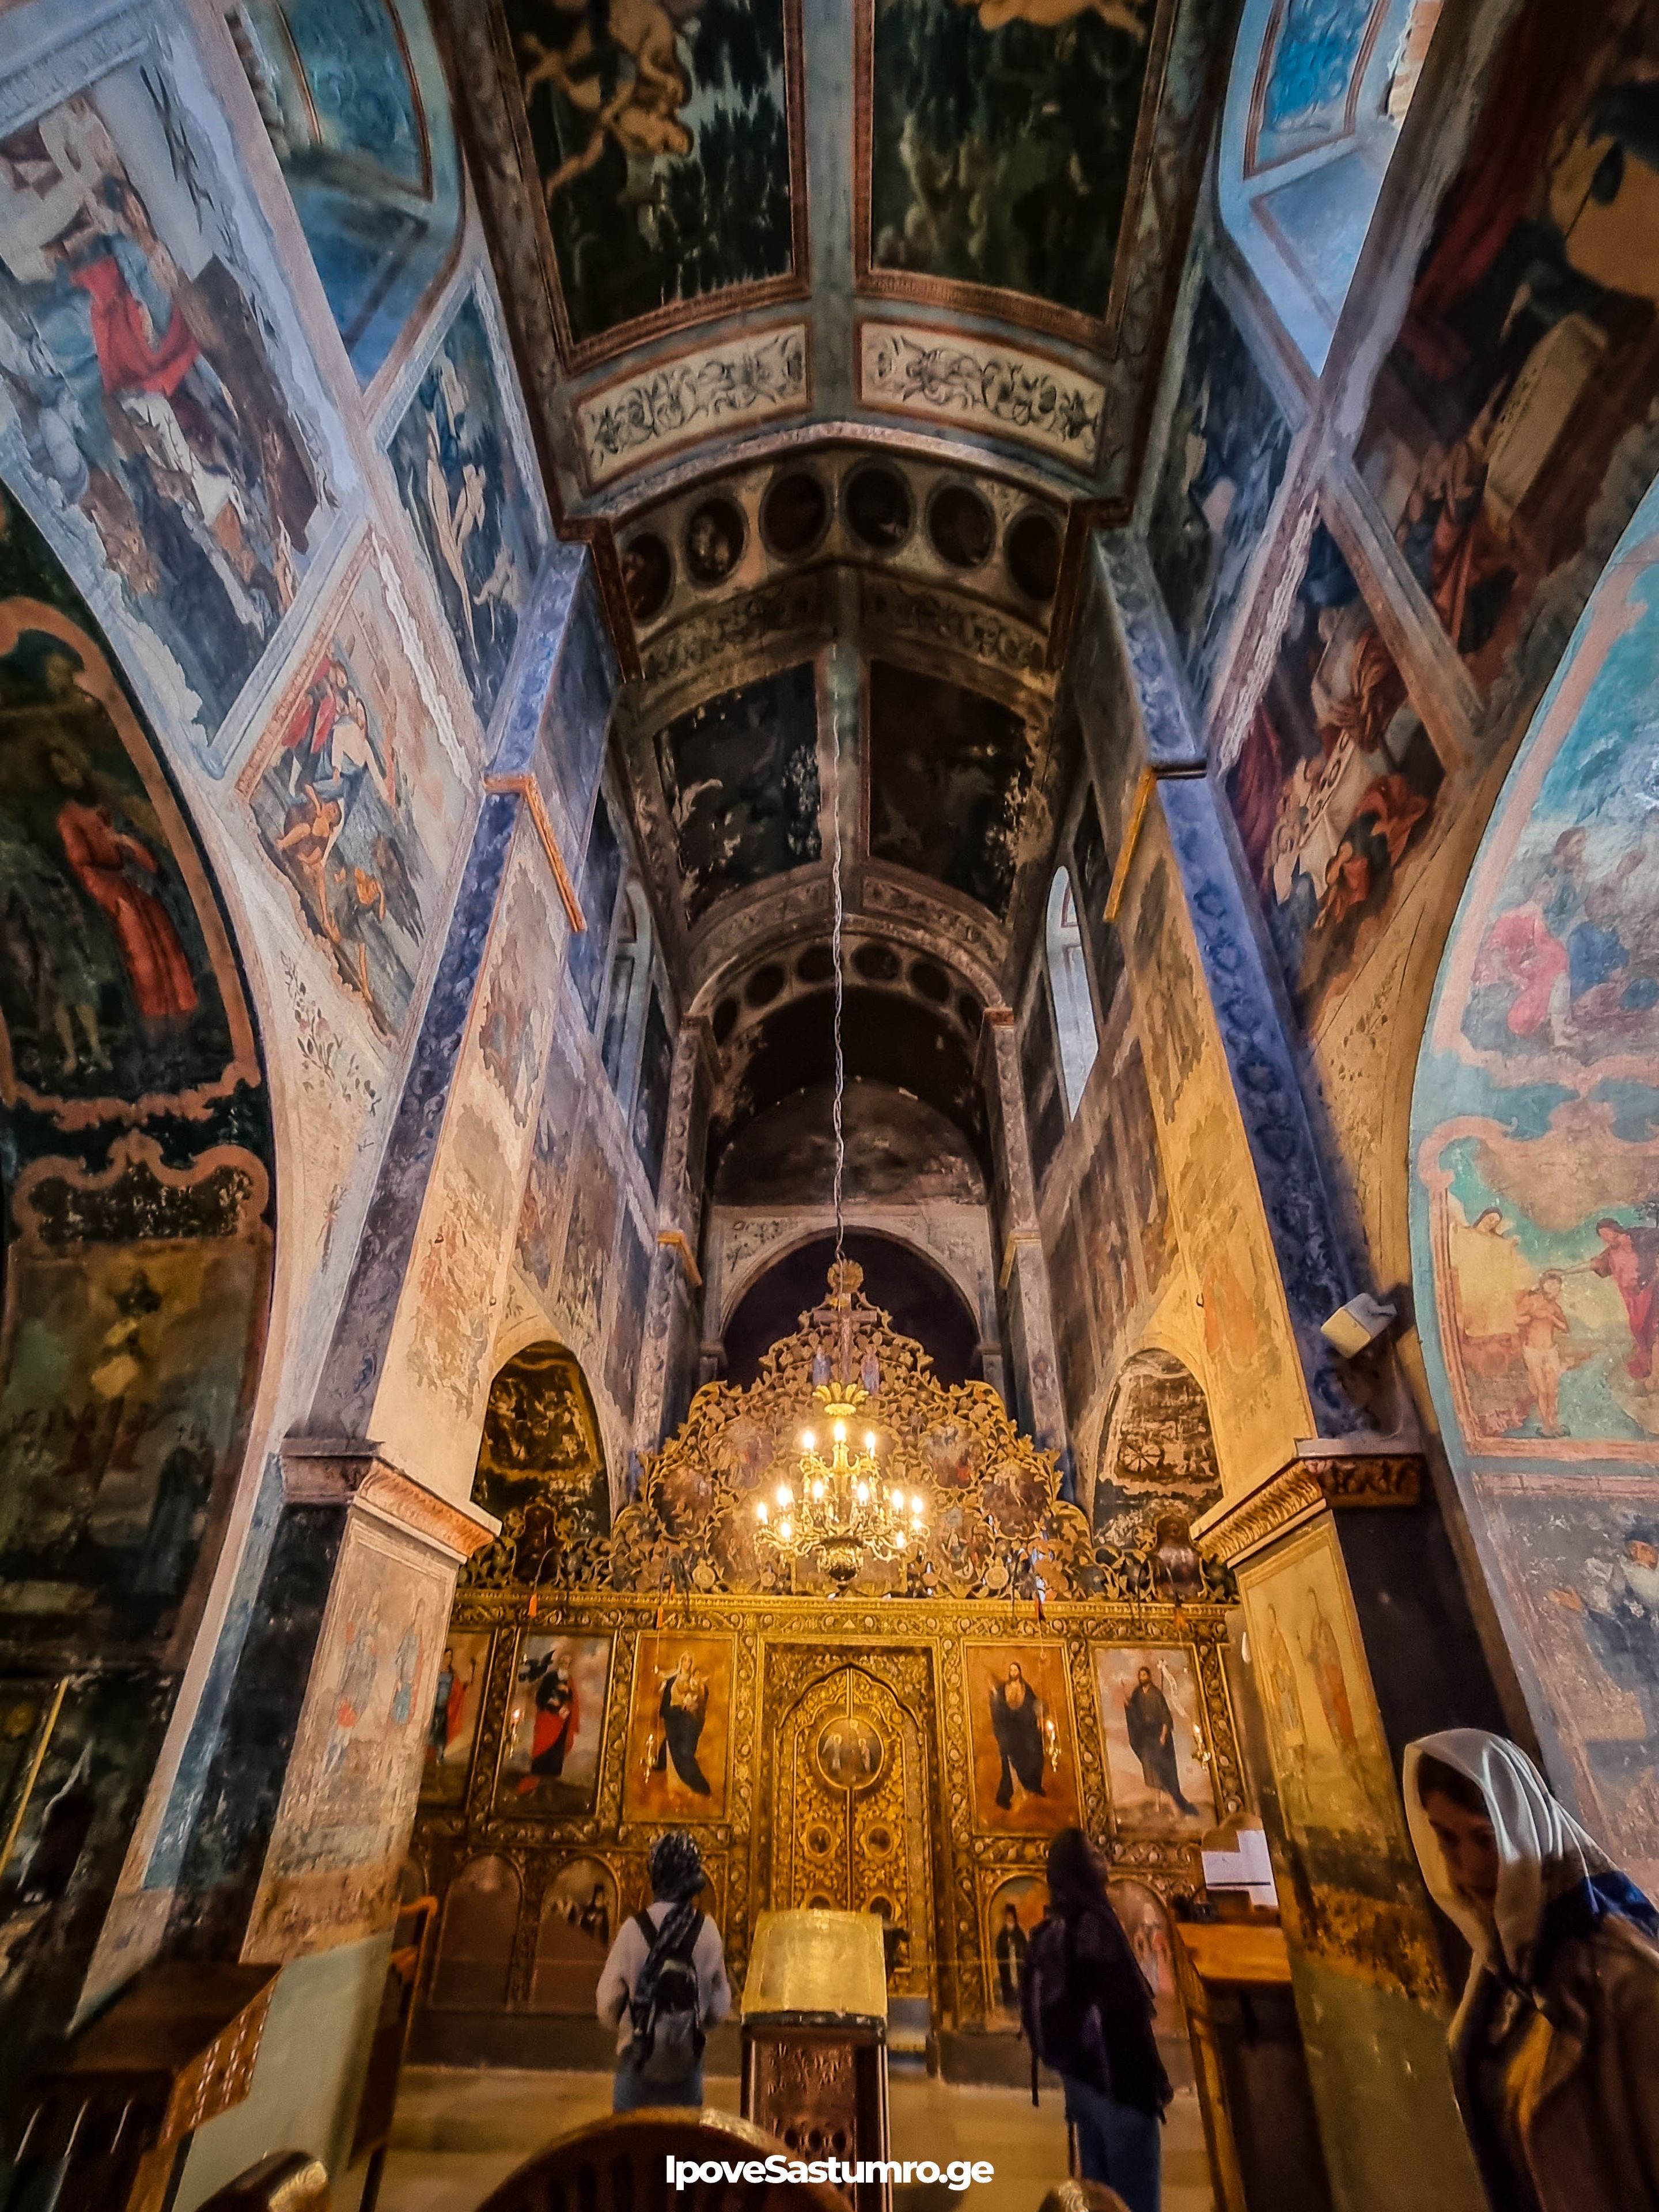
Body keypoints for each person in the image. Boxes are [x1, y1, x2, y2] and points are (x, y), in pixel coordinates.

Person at [1404, 1728, 1659, 2211]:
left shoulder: (1629, 1982)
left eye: (1486, 1838)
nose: (1469, 1867)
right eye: (1448, 1839)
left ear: (1523, 1830)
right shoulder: (1500, 1970)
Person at [1021, 1828, 1171, 2212]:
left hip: (1082, 2085)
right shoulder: (1094, 1925)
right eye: (1093, 1853)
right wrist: (1147, 2087)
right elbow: (1121, 2013)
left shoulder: (1059, 1923)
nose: (1103, 1858)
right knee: (1133, 2197)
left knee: (1096, 2193)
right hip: (1118, 2086)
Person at [596, 1832, 729, 2112]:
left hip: (638, 2064)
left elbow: (607, 2005)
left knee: (631, 2147)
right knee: (681, 2151)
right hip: (686, 2069)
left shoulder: (633, 1929)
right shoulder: (708, 1931)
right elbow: (719, 2009)